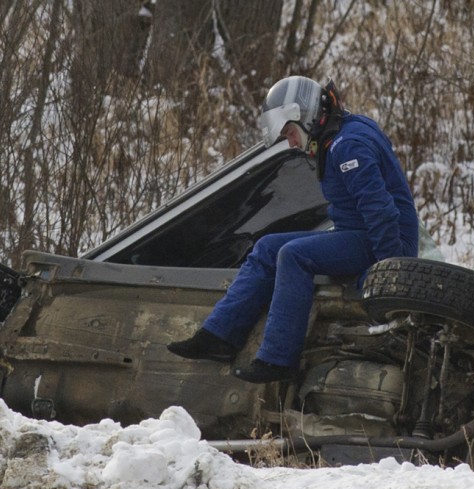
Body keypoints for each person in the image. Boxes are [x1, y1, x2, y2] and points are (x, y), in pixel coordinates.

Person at [168, 76, 419, 383]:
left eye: (289, 132)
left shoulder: (349, 145)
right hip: (360, 233)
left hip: (388, 241)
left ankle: (278, 360)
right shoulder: (338, 134)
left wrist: (390, 273)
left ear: (307, 116)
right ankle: (219, 336)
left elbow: (380, 212)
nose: (290, 142)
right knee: (267, 247)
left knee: (293, 255)